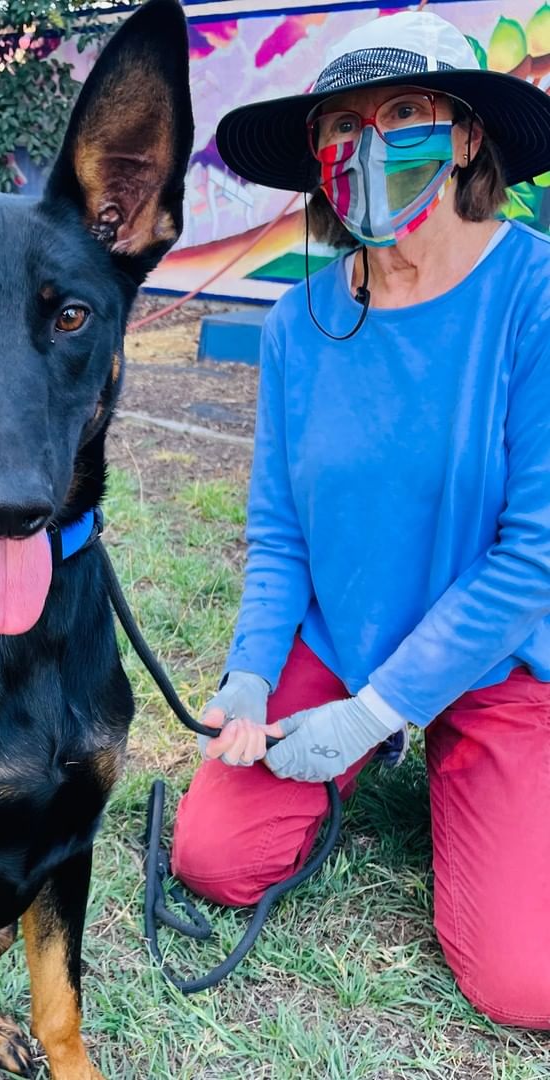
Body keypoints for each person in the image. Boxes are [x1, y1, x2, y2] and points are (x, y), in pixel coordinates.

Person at [171, 11, 550, 1029]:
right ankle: (388, 754)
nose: (366, 146)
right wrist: (252, 673)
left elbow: (536, 559)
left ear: (466, 133)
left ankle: (447, 763)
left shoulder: (536, 297)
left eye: (402, 114)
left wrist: (382, 709)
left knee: (527, 981)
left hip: (500, 664)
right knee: (213, 861)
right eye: (341, 125)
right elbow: (281, 530)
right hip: (337, 643)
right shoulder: (300, 317)